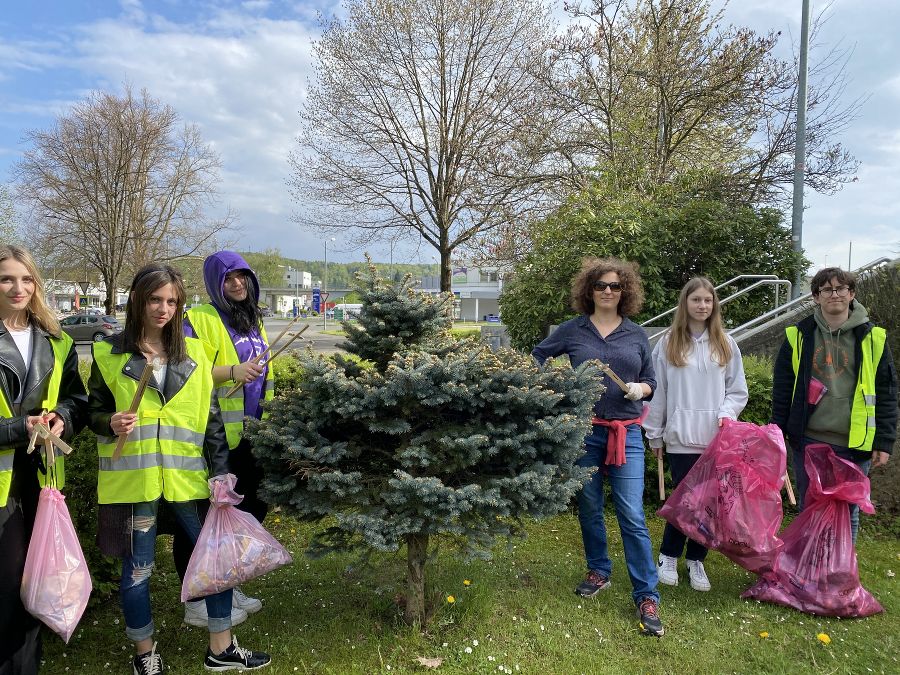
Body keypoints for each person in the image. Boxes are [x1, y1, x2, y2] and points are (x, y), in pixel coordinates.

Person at [88, 264, 271, 674]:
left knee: (216, 562)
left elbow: (212, 424)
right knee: (137, 572)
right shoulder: (108, 354)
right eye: (155, 299)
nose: (163, 309)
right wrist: (110, 422)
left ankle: (221, 648)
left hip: (189, 482)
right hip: (135, 484)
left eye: (172, 301)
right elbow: (94, 412)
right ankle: (144, 654)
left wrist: (222, 474)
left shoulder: (196, 356)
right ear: (137, 299)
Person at [532, 257, 663, 637]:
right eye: (601, 286)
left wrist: (643, 389)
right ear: (589, 291)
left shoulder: (636, 335)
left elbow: (651, 380)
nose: (608, 291)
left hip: (628, 436)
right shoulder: (572, 331)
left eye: (615, 286)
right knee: (589, 508)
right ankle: (599, 570)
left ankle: (646, 594)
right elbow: (539, 355)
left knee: (632, 514)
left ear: (626, 292)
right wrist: (551, 384)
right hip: (584, 433)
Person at [0, 245, 87, 675]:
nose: (18, 288)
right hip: (2, 486)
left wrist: (62, 420)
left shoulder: (58, 340)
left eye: (26, 279)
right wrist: (20, 428)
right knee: (6, 589)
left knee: (37, 583)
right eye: (6, 279)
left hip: (43, 479)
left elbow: (77, 400)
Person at [176, 251, 273, 627]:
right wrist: (232, 370)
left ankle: (227, 585)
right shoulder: (199, 318)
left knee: (244, 514)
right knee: (206, 522)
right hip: (215, 437)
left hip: (251, 434)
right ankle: (197, 598)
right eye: (228, 278)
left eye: (242, 276)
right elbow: (184, 366)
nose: (237, 284)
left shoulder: (251, 320)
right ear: (214, 283)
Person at [771, 266, 897, 544]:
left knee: (848, 511)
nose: (834, 294)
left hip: (854, 443)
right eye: (826, 289)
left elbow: (887, 393)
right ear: (816, 296)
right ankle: (810, 572)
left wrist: (884, 441)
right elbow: (782, 390)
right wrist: (778, 435)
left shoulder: (873, 338)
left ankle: (840, 575)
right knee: (810, 507)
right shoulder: (798, 335)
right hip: (809, 439)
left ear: (851, 294)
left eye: (841, 288)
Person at [643, 277, 748, 592]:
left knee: (709, 505)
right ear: (685, 303)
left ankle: (696, 560)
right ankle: (669, 556)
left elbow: (737, 391)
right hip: (680, 438)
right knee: (685, 502)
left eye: (708, 300)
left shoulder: (726, 344)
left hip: (715, 440)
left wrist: (726, 414)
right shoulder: (668, 343)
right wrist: (655, 433)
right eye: (696, 300)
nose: (703, 306)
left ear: (714, 305)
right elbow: (658, 394)